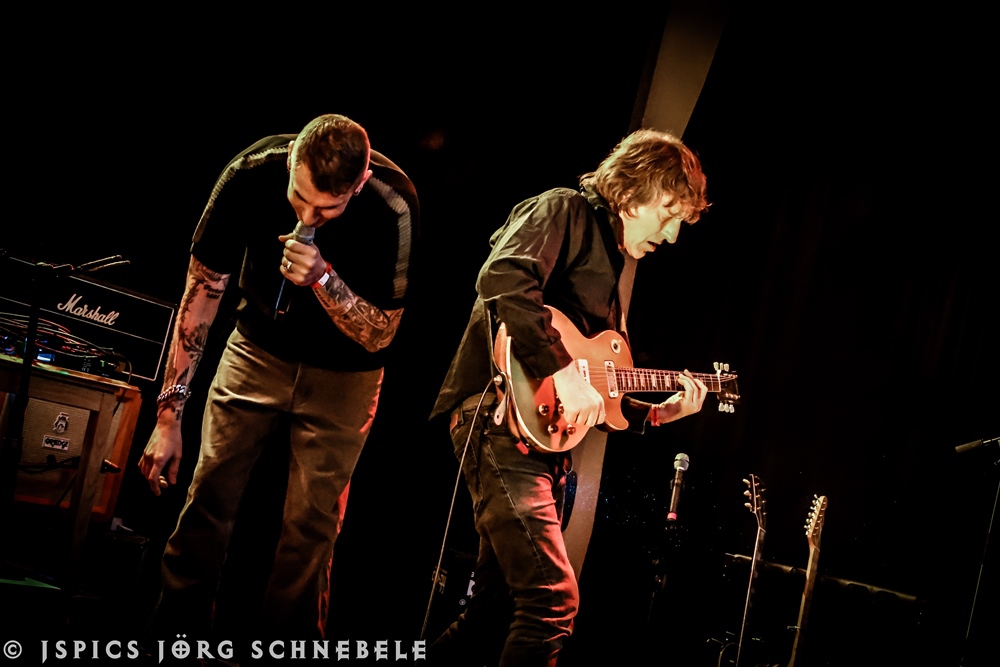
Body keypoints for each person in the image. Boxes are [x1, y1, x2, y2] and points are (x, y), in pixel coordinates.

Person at [427, 128, 710, 666]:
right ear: (636, 190)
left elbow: (597, 388)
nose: (673, 235)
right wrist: (560, 370)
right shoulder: (565, 210)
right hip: (498, 423)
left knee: (492, 611)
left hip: (541, 445)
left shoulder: (612, 270)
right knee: (552, 603)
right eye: (668, 214)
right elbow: (503, 276)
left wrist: (660, 413)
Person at [137, 113, 419, 645]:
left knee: (312, 529)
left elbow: (381, 334)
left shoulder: (394, 203)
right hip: (257, 349)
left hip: (345, 376)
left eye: (327, 208)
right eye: (299, 197)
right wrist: (169, 415)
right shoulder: (252, 171)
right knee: (208, 494)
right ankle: (174, 640)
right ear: (291, 161)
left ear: (359, 184)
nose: (307, 217)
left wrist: (323, 279)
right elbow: (201, 294)